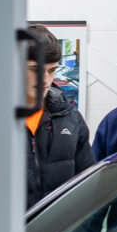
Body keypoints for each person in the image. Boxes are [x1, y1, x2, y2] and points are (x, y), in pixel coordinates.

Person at [25, 24, 94, 207]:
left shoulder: (71, 119)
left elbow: (87, 190)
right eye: (34, 69)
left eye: (51, 70)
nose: (45, 80)